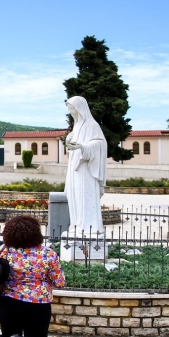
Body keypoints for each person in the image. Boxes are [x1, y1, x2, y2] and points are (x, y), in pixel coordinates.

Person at [0, 215, 66, 337]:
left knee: (8, 336)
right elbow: (59, 282)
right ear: (35, 232)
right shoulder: (48, 254)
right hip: (37, 304)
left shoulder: (3, 251)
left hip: (7, 302)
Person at [64, 96, 107, 235]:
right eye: (69, 109)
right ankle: (76, 224)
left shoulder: (92, 125)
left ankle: (89, 227)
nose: (71, 112)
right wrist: (68, 142)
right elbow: (71, 149)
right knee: (75, 197)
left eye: (72, 109)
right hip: (75, 169)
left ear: (80, 109)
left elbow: (100, 144)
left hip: (86, 170)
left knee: (84, 197)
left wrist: (83, 147)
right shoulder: (76, 126)